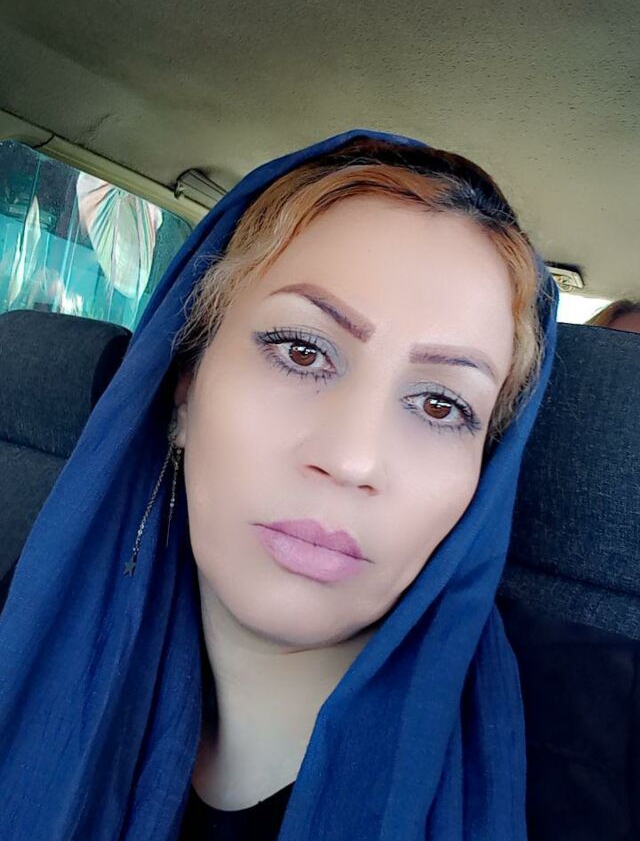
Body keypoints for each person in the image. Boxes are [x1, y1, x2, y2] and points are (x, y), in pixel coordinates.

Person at [0, 130, 558, 840]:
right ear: (183, 387)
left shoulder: (601, 743)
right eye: (301, 351)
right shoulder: (22, 619)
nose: (352, 459)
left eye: (440, 405)